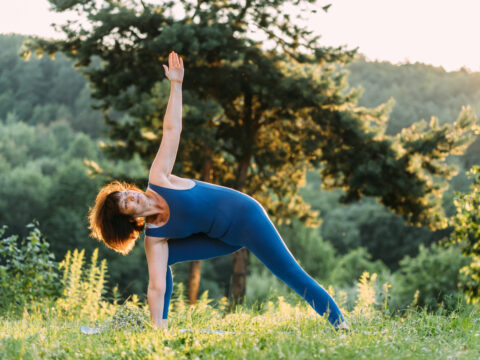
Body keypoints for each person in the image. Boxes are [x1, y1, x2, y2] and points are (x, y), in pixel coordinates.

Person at [89, 51, 345, 330]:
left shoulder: (159, 178)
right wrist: (155, 334)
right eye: (126, 204)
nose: (132, 196)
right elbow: (156, 287)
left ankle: (341, 325)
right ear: (130, 219)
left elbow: (171, 130)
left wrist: (176, 85)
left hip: (246, 216)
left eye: (126, 193)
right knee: (160, 264)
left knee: (290, 273)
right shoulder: (155, 239)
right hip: (224, 239)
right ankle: (159, 328)